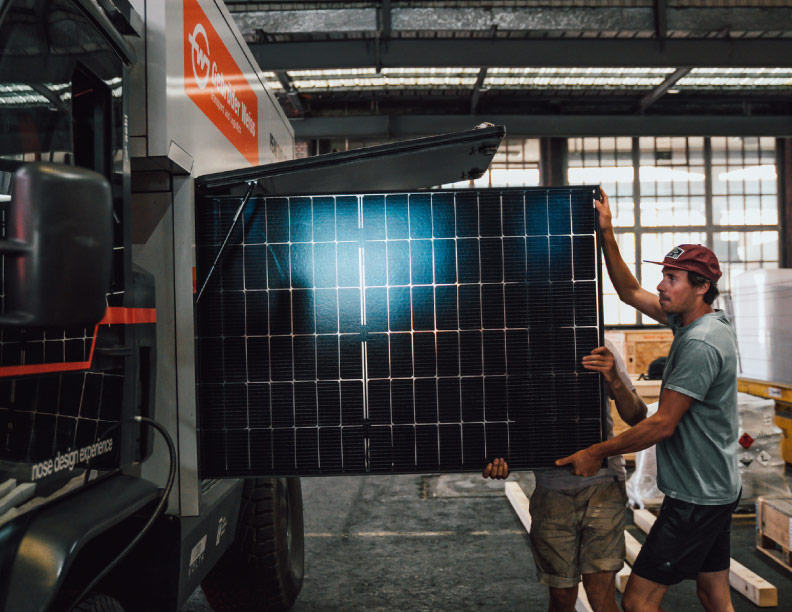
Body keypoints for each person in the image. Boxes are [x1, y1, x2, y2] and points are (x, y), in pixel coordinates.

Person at [555, 189, 740, 612]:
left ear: (702, 287)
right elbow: (629, 291)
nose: (662, 285)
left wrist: (595, 451)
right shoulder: (694, 320)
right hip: (715, 488)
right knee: (713, 593)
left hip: (696, 498)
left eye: (672, 278)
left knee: (638, 602)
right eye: (665, 275)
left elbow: (661, 425)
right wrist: (607, 233)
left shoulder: (701, 344)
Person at [484, 340, 647, 612]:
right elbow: (499, 419)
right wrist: (496, 458)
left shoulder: (599, 347)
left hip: (604, 486)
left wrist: (614, 377)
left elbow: (637, 416)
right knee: (561, 596)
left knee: (600, 593)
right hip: (551, 491)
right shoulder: (511, 350)